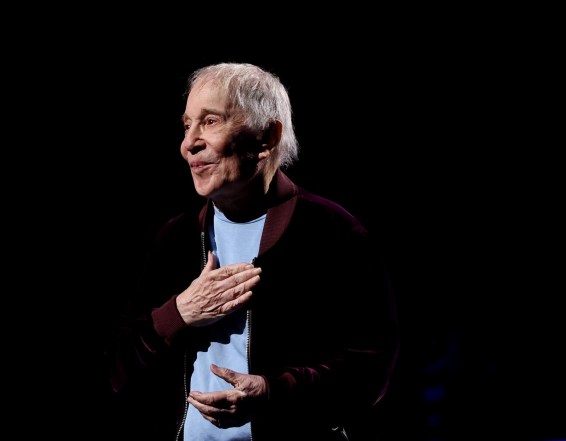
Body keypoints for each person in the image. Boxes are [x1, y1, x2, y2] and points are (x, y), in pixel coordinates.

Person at [107, 62, 399, 440]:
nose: (189, 143)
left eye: (211, 121)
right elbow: (118, 370)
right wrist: (179, 313)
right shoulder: (174, 239)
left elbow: (370, 368)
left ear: (266, 138)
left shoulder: (333, 233)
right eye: (187, 125)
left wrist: (273, 391)